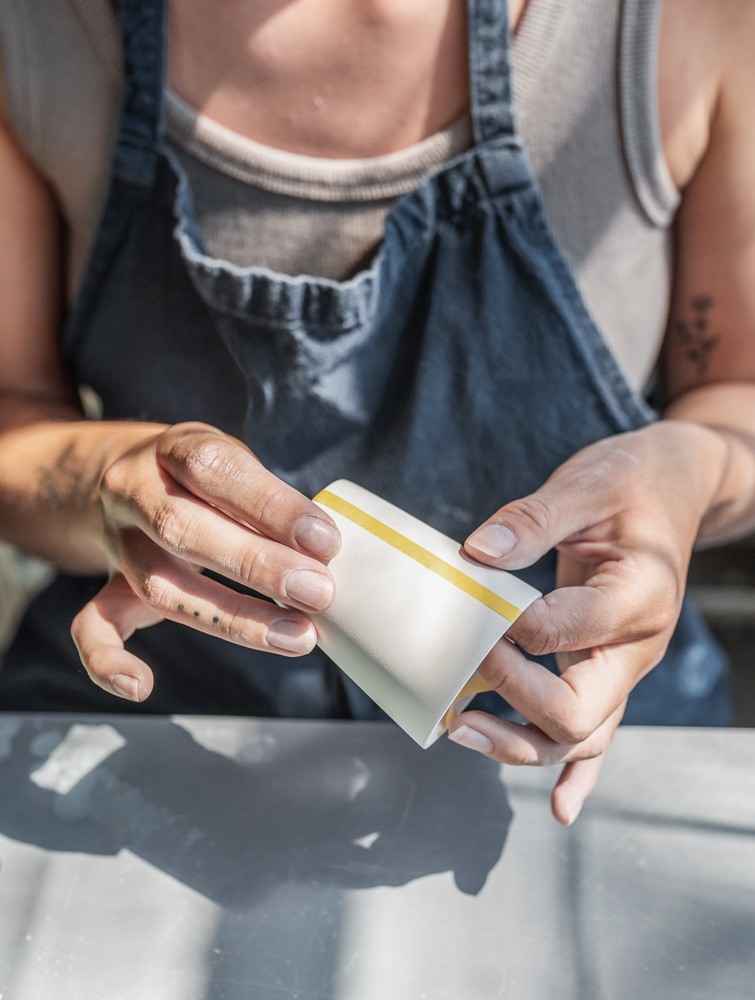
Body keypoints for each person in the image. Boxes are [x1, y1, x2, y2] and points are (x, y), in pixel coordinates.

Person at [0, 0, 754, 825]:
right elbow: (16, 417)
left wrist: (690, 472)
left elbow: (736, 392)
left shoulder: (684, 22)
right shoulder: (34, 32)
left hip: (574, 751)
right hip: (160, 746)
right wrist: (109, 487)